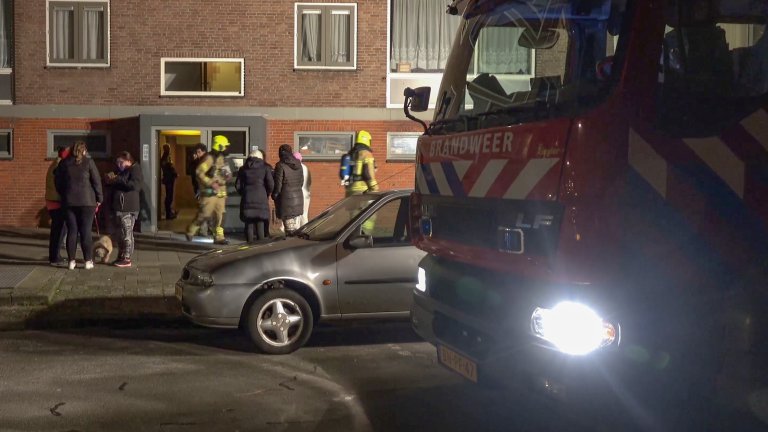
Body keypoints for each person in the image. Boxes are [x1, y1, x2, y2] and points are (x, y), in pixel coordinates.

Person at [55, 141, 103, 270]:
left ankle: (71, 261)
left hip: (69, 202)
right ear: (84, 151)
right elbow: (96, 181)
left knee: (72, 231)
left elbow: (57, 182)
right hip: (87, 202)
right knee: (86, 231)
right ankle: (88, 261)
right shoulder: (88, 162)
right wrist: (99, 198)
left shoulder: (63, 163)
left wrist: (64, 194)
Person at [186, 137, 231, 245]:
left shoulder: (223, 160)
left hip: (220, 195)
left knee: (220, 216)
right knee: (204, 215)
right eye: (224, 146)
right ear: (219, 146)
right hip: (209, 194)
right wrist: (211, 183)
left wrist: (224, 192)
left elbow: (223, 179)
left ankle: (219, 237)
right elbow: (199, 172)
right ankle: (191, 230)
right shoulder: (209, 159)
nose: (226, 148)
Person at [106, 152, 143, 267]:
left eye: (121, 162)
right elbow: (115, 179)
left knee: (127, 233)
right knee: (117, 233)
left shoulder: (135, 169)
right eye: (117, 162)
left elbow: (135, 185)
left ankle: (127, 258)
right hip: (117, 207)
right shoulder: (121, 171)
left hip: (128, 206)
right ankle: (121, 255)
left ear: (128, 160)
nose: (119, 165)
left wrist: (117, 180)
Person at [236, 150, 274, 243]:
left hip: (247, 196)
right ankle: (259, 247)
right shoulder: (265, 167)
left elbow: (238, 185)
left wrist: (244, 193)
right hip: (261, 196)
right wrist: (266, 193)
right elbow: (271, 184)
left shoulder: (243, 168)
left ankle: (249, 246)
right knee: (260, 222)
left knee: (249, 223)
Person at [346, 131, 379, 234]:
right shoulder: (366, 153)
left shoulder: (351, 154)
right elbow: (368, 174)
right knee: (369, 218)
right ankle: (365, 238)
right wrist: (374, 188)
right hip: (363, 191)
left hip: (351, 191)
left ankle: (353, 238)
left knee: (354, 220)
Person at [45, 147, 70, 266]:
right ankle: (55, 257)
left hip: (53, 201)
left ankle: (55, 256)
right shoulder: (60, 165)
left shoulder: (56, 162)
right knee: (59, 230)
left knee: (58, 230)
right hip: (56, 202)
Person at [272, 144, 304, 235]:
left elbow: (278, 184)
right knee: (294, 227)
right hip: (298, 198)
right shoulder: (299, 165)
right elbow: (301, 182)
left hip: (286, 200)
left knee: (290, 231)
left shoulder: (280, 166)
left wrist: (275, 195)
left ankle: (293, 247)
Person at [160, 144, 178, 220]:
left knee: (169, 195)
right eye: (168, 149)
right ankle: (168, 213)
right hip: (169, 179)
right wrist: (175, 173)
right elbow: (169, 167)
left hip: (169, 178)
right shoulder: (165, 158)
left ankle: (169, 212)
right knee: (169, 196)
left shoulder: (165, 157)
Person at [294, 152, 312, 226]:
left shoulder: (294, 168)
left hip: (297, 194)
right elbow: (310, 182)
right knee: (304, 215)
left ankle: (296, 232)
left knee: (296, 216)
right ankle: (305, 231)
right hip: (306, 194)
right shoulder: (306, 168)